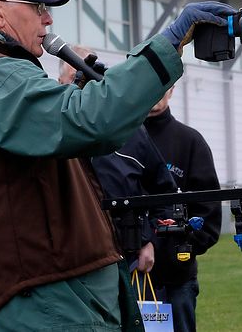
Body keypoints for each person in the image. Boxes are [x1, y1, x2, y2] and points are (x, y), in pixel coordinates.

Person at [0, 0, 234, 332]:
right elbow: (87, 121)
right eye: (36, 7)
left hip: (47, 298)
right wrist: (168, 43)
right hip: (40, 305)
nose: (48, 19)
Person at [58, 46, 178, 274]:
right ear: (60, 81)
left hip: (125, 263)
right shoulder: (48, 132)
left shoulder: (130, 131)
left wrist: (151, 241)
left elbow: (165, 195)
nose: (83, 85)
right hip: (68, 265)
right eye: (75, 78)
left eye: (88, 77)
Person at [143, 86, 222, 332]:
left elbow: (208, 213)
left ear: (172, 89)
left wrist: (179, 250)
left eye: (161, 83)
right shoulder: (120, 140)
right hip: (132, 276)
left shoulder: (190, 142)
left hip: (177, 280)